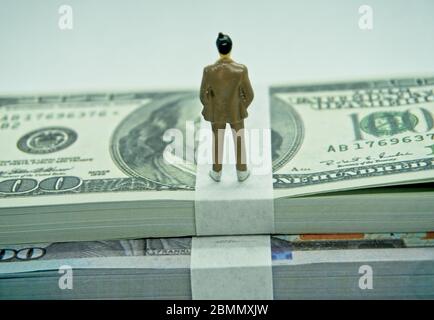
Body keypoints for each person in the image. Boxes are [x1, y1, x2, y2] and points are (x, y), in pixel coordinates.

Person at [199, 32, 254, 182]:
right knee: (239, 140)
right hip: (236, 113)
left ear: (217, 48)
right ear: (231, 48)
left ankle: (216, 172)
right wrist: (240, 107)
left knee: (217, 141)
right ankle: (242, 172)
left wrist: (212, 106)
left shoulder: (208, 71)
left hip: (217, 114)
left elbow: (202, 96)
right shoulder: (241, 70)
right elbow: (249, 95)